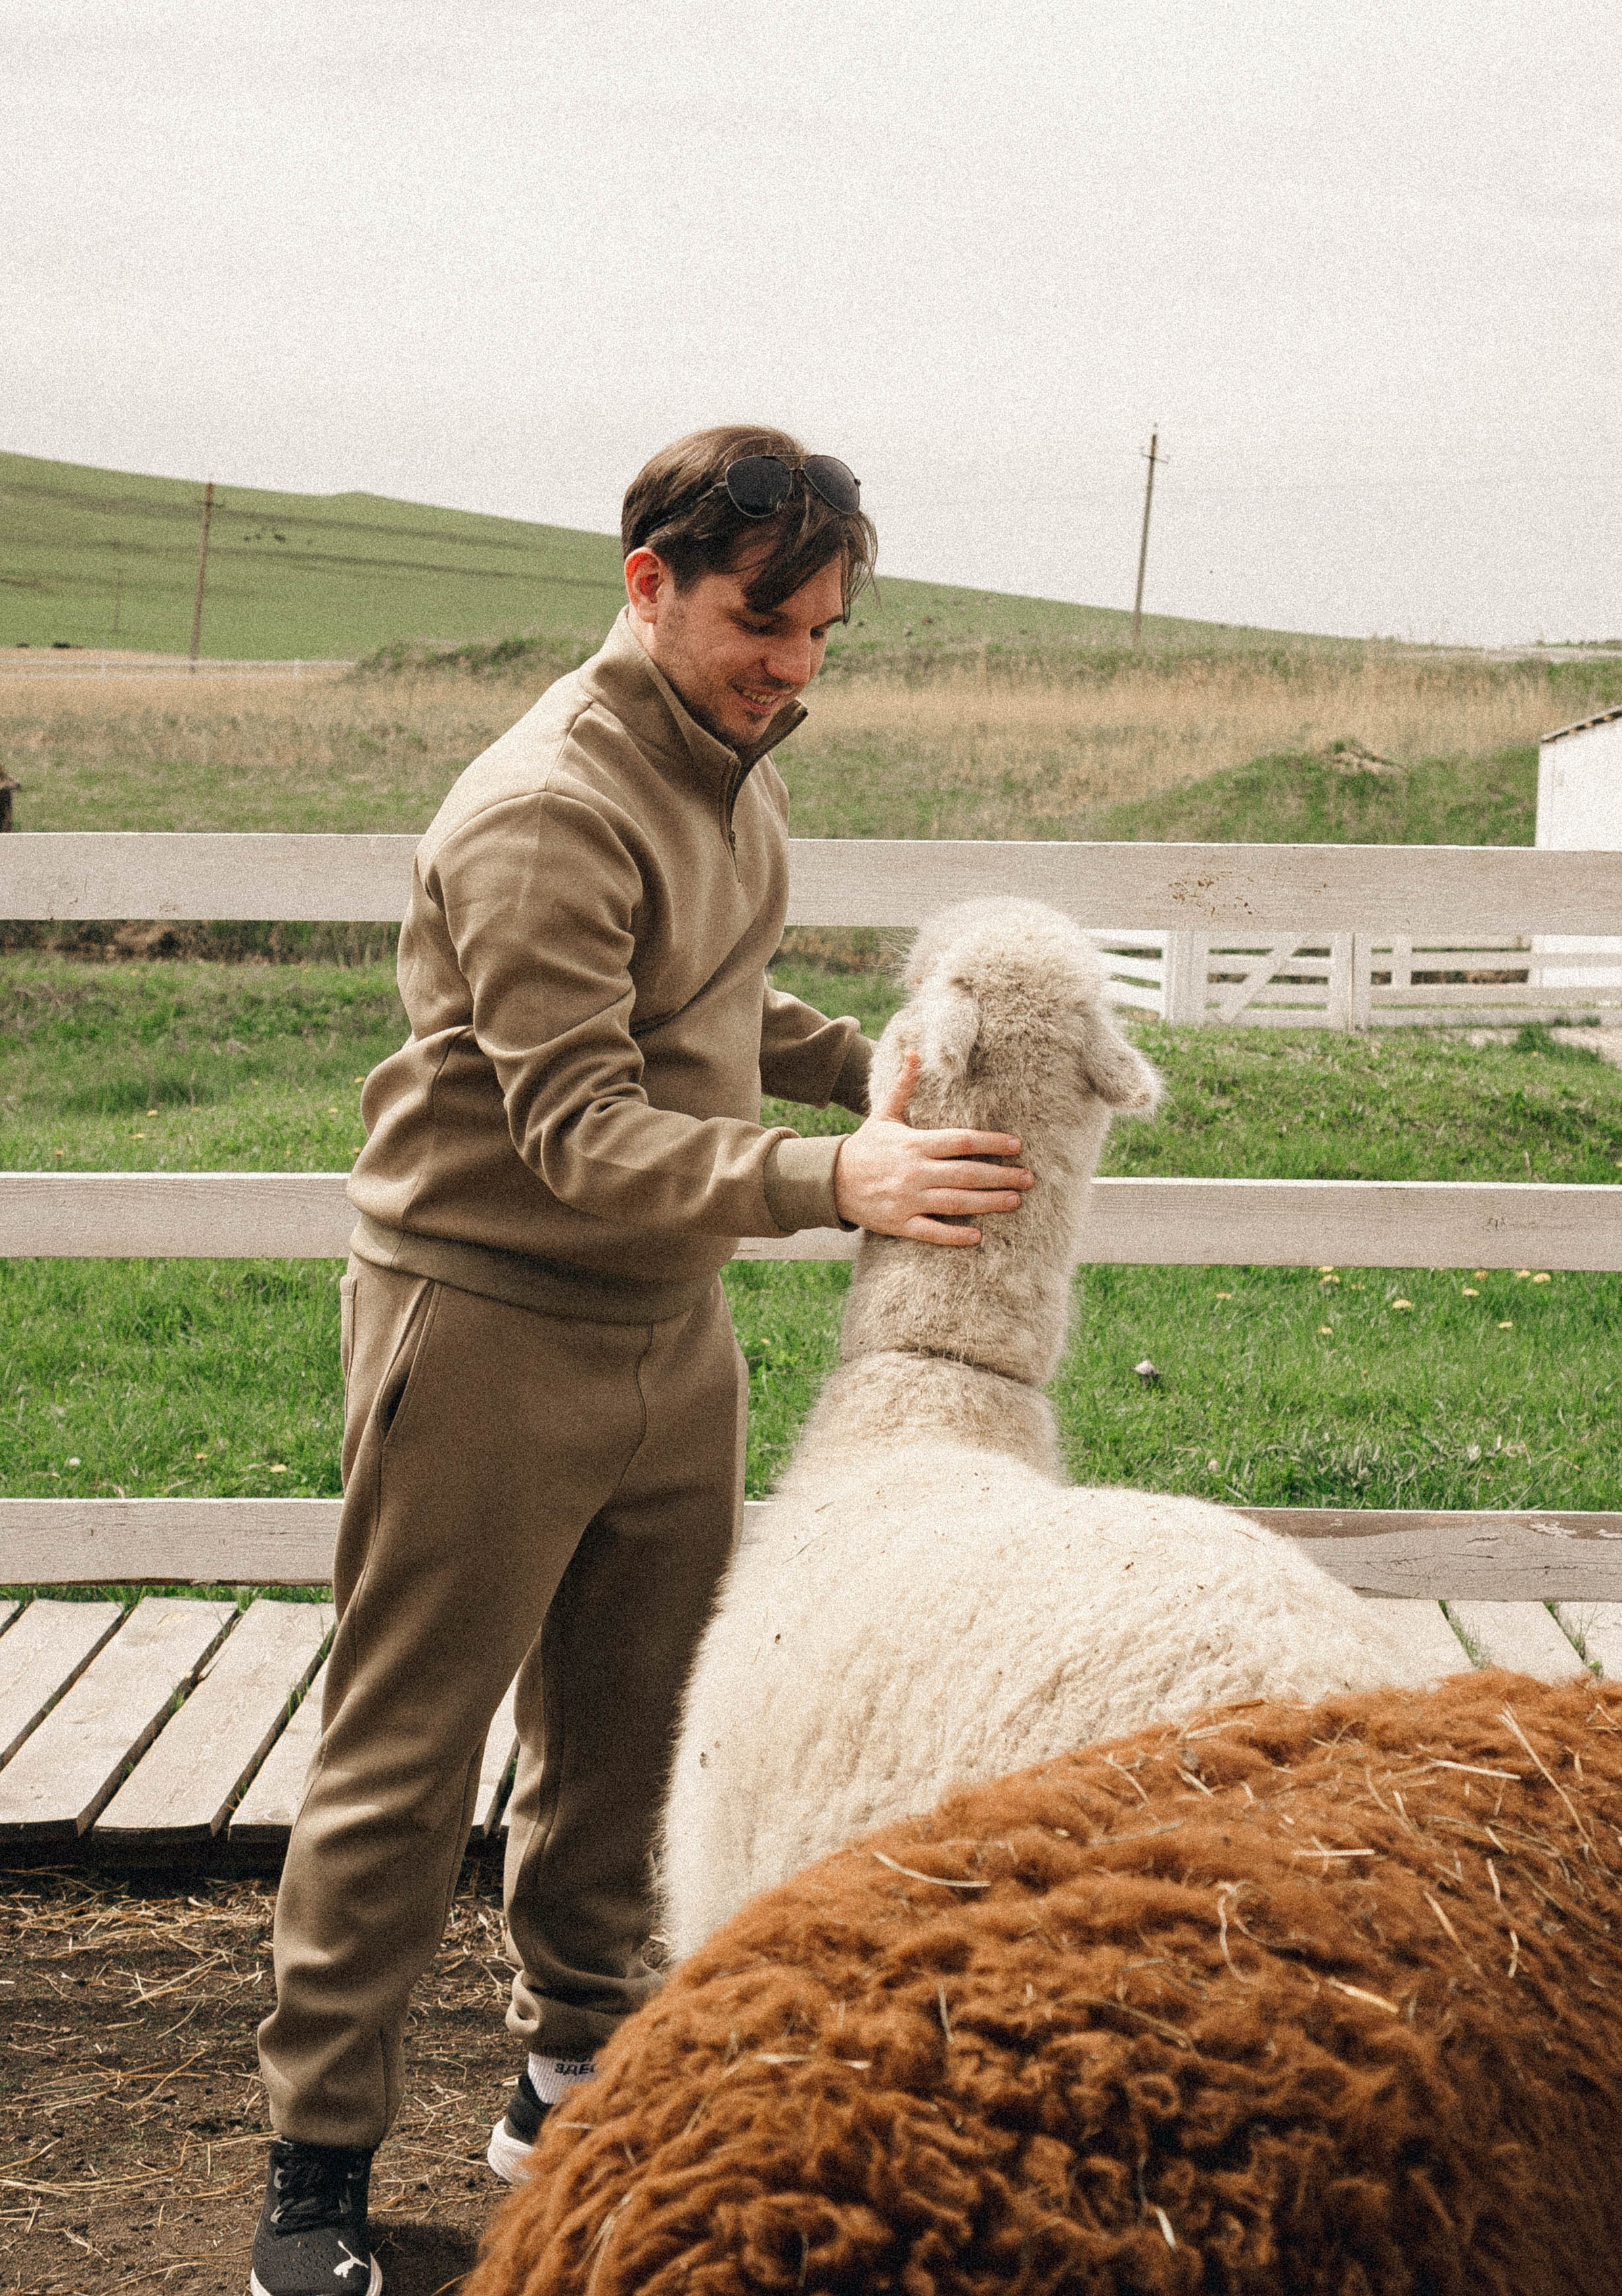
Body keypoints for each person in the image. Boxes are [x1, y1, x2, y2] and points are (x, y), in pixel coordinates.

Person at [248, 425, 1035, 2296]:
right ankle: (312, 2188)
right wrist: (838, 1175)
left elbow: (703, 992)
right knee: (405, 1748)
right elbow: (576, 1123)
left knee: (630, 1732)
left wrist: (860, 1061)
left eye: (825, 632)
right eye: (766, 621)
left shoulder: (730, 765)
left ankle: (573, 2073)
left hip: (668, 1323)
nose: (795, 665)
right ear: (650, 582)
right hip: (491, 1321)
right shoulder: (548, 808)